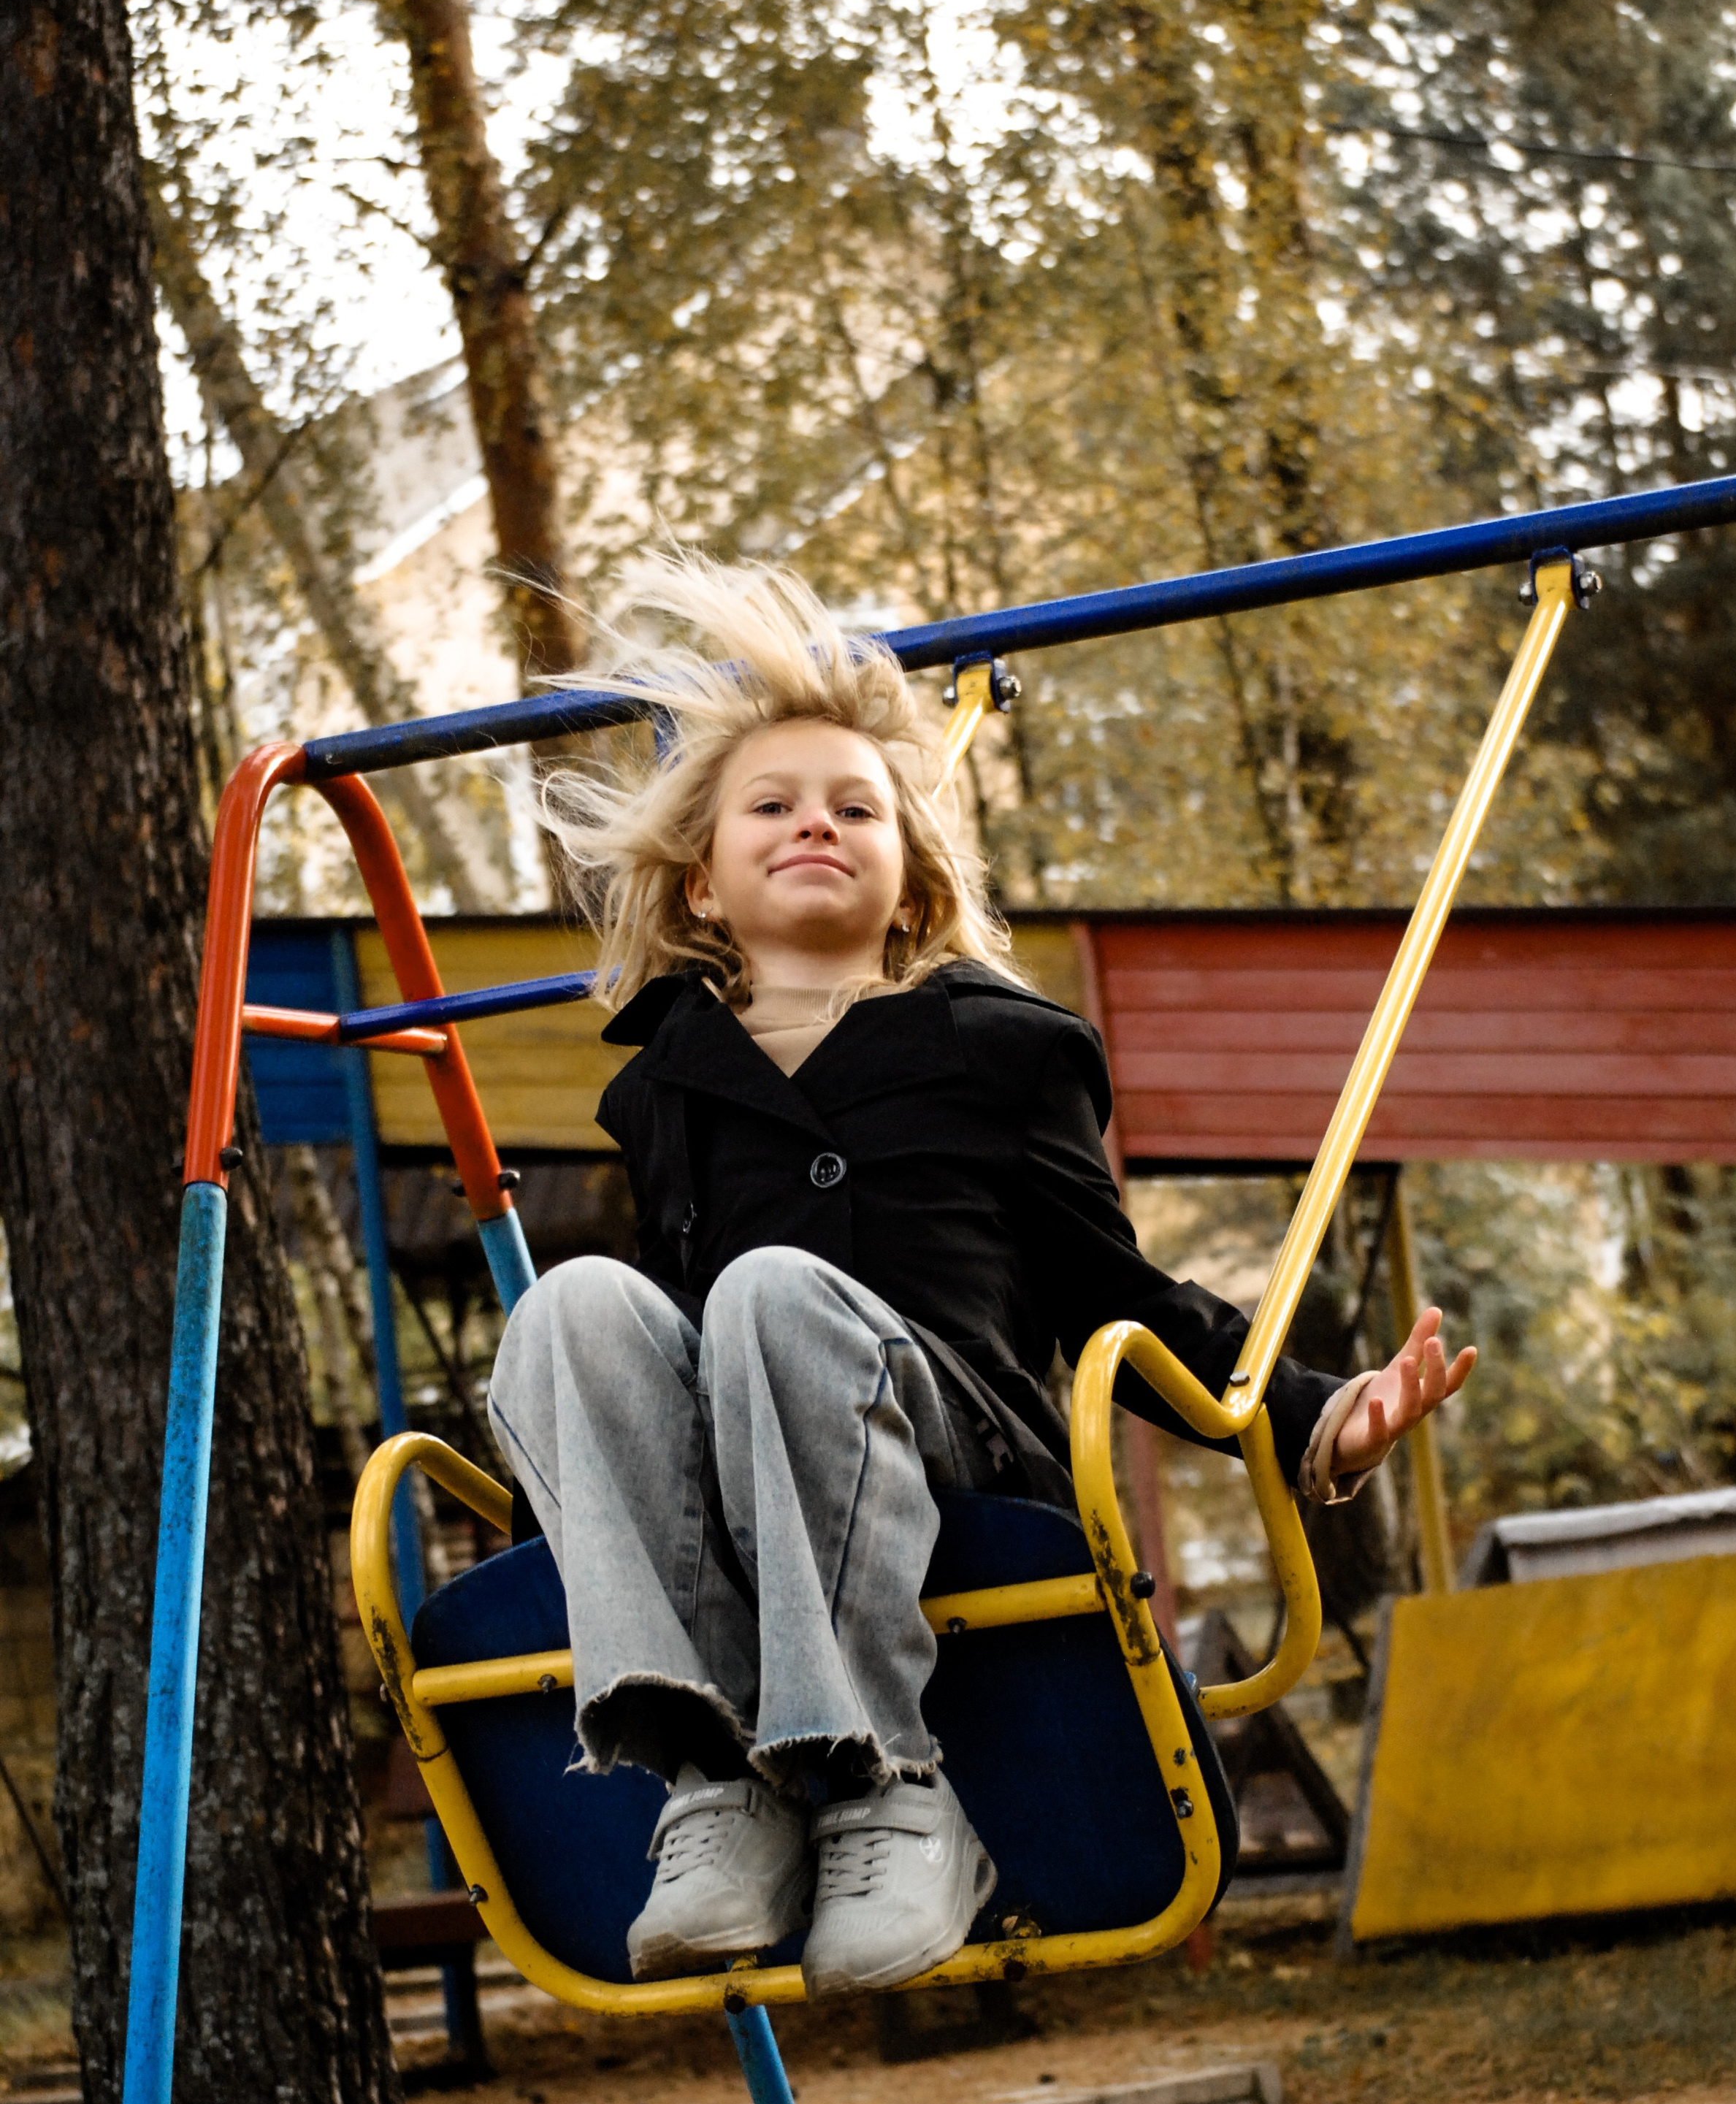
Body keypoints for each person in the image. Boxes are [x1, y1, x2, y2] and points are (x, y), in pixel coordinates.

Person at [487, 555, 1476, 1996]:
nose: (814, 822)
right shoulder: (661, 1088)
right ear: (702, 881)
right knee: (571, 1307)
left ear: (909, 882)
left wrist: (1313, 1410)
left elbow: (1108, 1288)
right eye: (771, 806)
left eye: (855, 808)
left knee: (770, 1292)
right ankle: (718, 1777)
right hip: (758, 1450)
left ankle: (891, 1782)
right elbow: (659, 1335)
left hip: (945, 1429)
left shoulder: (1001, 1045)